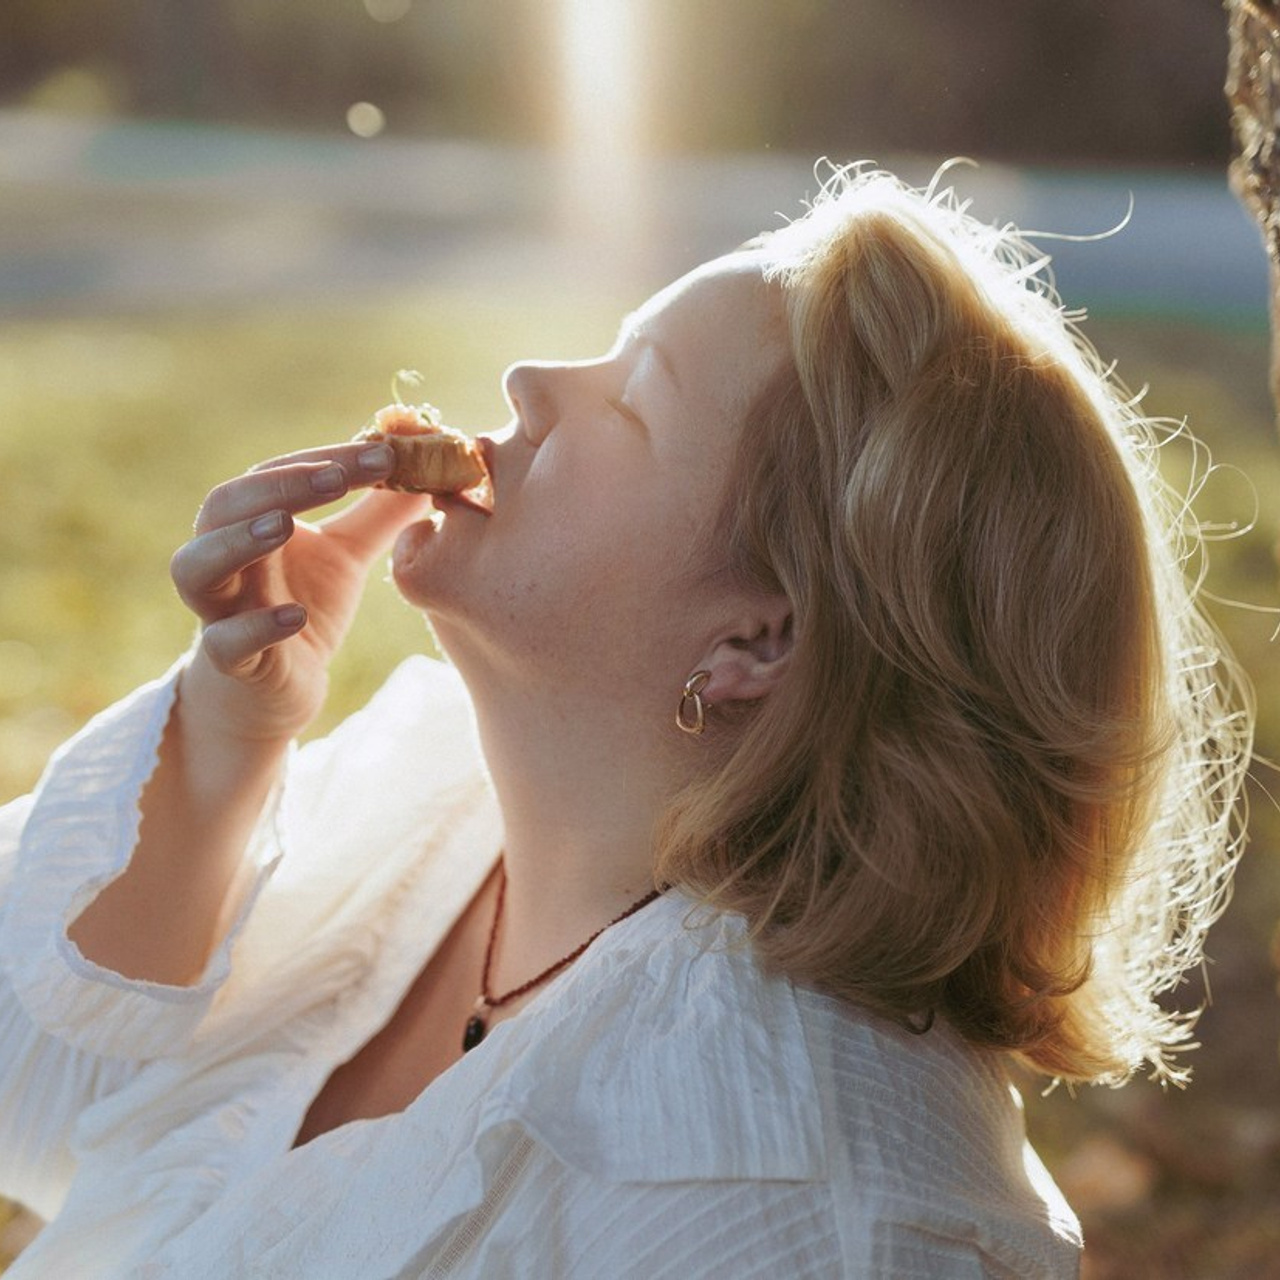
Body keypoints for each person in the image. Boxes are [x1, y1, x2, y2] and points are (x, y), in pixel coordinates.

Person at [0, 164, 1250, 1278]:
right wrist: (228, 749)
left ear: (760, 636)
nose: (529, 382)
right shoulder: (443, 803)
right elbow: (51, 1118)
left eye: (636, 401)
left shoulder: (795, 1207)